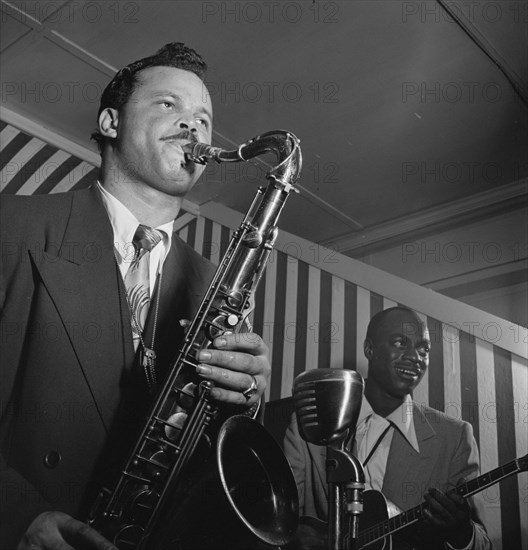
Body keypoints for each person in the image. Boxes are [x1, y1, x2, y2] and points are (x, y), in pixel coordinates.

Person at [0, 43, 271, 549]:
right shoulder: (11, 226)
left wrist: (243, 399)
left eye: (204, 119)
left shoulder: (217, 283)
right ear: (110, 121)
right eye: (168, 104)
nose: (193, 127)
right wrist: (16, 518)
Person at [283, 306, 492, 550]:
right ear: (369, 349)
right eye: (400, 343)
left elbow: (484, 545)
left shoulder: (454, 437)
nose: (416, 357)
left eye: (423, 349)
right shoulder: (311, 420)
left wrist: (461, 533)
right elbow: (279, 519)